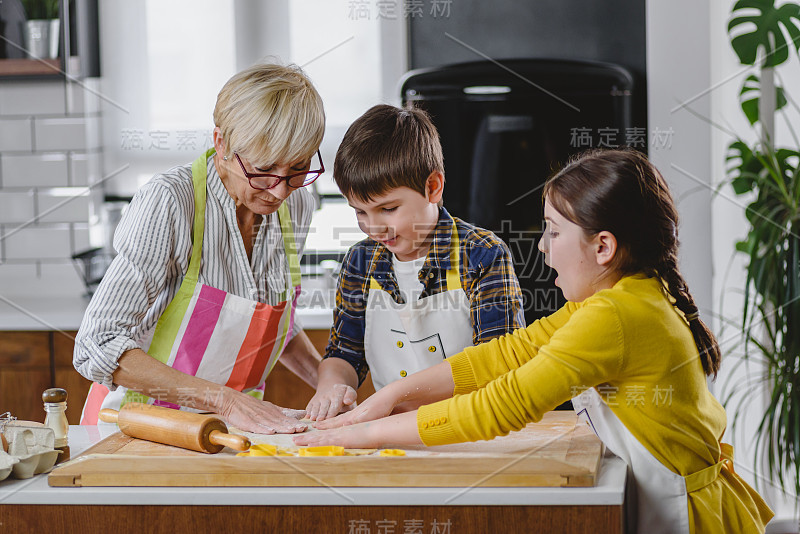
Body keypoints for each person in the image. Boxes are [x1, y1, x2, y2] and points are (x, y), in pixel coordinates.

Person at [295, 149, 774, 532]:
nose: (542, 246)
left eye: (553, 231)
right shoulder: (616, 297)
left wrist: (362, 434)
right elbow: (508, 354)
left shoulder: (615, 314)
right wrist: (390, 397)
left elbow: (505, 403)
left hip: (686, 518)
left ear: (603, 246)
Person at [74, 62, 326, 434]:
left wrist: (330, 384)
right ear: (221, 143)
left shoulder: (298, 203)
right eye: (263, 169)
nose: (279, 190)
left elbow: (270, 324)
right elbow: (96, 344)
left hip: (232, 432)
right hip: (138, 427)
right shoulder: (171, 202)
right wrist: (223, 399)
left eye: (299, 168)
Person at [304, 104, 525, 421]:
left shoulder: (482, 254)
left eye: (388, 209)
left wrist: (397, 394)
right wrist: (331, 386)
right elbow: (344, 354)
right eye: (360, 212)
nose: (374, 227)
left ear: (433, 187)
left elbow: (498, 361)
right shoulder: (360, 261)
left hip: (473, 428)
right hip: (392, 433)